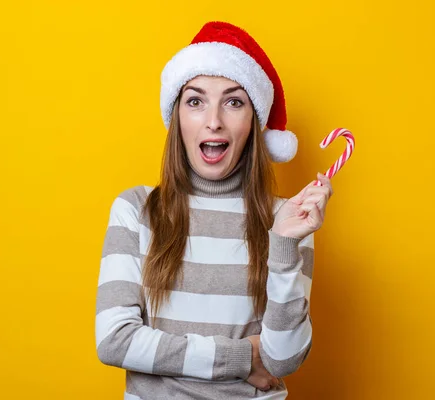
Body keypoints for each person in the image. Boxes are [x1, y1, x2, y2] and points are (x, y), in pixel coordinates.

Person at [95, 21, 333, 400]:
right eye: (195, 100)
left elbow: (283, 359)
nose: (214, 120)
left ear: (254, 122)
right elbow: (115, 340)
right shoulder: (136, 209)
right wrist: (242, 358)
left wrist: (285, 246)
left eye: (234, 101)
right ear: (177, 118)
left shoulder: (287, 219)